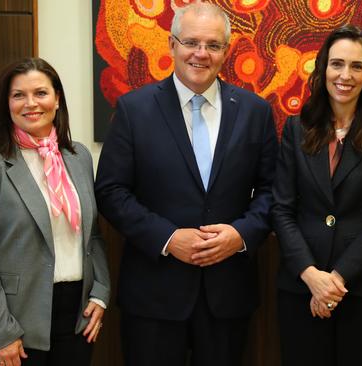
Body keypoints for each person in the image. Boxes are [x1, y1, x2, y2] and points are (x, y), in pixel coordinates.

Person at [94, 3, 278, 366]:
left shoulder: (255, 112)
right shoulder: (134, 109)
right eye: (191, 42)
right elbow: (111, 192)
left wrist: (240, 235)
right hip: (154, 295)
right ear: (171, 44)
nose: (200, 54)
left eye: (212, 45)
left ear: (226, 52)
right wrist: (167, 238)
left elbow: (274, 192)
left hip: (227, 295)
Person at [0, 57, 110, 366]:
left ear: (56, 99)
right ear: (6, 103)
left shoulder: (77, 157)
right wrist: (0, 331)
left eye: (40, 93)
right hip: (10, 319)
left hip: (75, 318)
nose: (30, 103)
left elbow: (92, 235)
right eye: (18, 95)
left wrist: (100, 292)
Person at [271, 25, 362, 366]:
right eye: (337, 64)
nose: (345, 75)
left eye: (357, 66)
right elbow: (281, 209)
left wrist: (336, 279)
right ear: (323, 68)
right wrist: (311, 275)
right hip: (301, 288)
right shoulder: (296, 127)